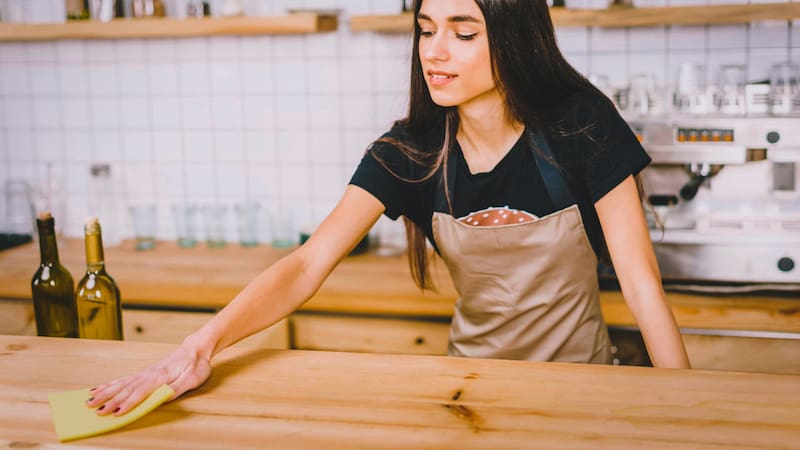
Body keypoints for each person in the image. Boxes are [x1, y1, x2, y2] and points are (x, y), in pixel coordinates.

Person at [88, 0, 690, 416]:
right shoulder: (411, 151)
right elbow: (306, 265)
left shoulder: (581, 125)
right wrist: (200, 346)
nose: (435, 50)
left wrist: (689, 411)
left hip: (585, 390)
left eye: (463, 30)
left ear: (513, 36)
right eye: (426, 28)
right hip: (469, 394)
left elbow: (641, 288)